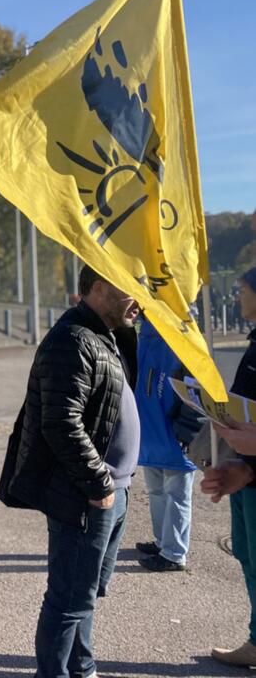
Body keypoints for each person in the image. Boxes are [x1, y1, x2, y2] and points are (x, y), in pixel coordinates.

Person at [0, 265, 140, 678]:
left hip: (113, 488)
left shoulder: (105, 334)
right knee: (67, 599)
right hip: (87, 493)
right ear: (98, 288)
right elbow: (60, 422)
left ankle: (83, 667)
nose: (138, 298)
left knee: (86, 594)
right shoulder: (73, 340)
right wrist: (98, 483)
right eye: (128, 288)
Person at [200, 267, 256, 668]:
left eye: (242, 290)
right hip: (247, 475)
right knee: (248, 557)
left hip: (252, 474)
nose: (237, 297)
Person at [133, 318, 205, 572]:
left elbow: (196, 392)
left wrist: (187, 431)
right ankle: (164, 541)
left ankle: (174, 553)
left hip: (171, 433)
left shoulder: (184, 340)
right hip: (153, 431)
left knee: (175, 493)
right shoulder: (143, 338)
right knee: (157, 490)